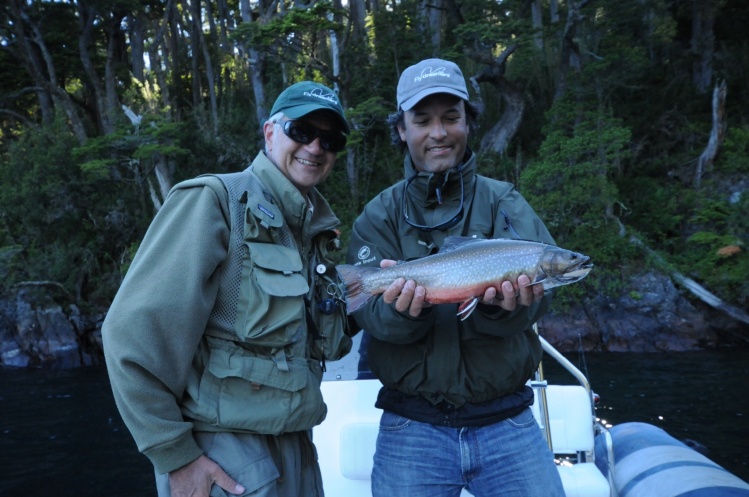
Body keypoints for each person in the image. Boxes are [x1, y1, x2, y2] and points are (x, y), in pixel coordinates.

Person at [102, 81, 356, 497]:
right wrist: (176, 456)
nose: (315, 146)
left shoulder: (314, 233)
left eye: (330, 139)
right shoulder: (215, 201)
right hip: (227, 457)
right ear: (270, 132)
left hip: (297, 447)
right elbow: (130, 336)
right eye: (301, 131)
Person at [346, 59, 566, 497]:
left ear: (469, 123)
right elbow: (371, 318)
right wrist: (405, 313)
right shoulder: (379, 214)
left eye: (451, 118)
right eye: (422, 121)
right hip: (412, 426)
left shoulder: (504, 201)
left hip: (507, 423)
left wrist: (499, 309)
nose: (439, 133)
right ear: (402, 130)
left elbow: (539, 303)